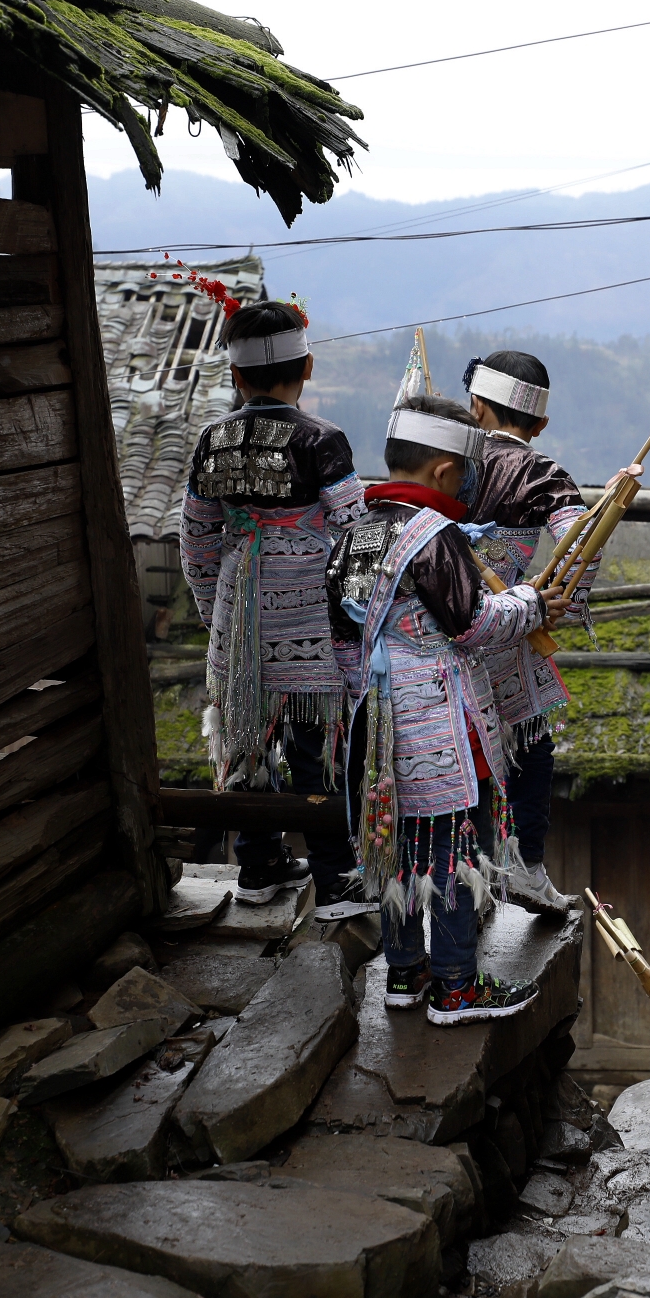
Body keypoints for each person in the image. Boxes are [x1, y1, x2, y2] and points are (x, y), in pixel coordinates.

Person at [326, 395, 572, 1023]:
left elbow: (342, 632)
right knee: (454, 846)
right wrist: (531, 603)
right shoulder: (429, 536)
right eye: (467, 471)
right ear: (442, 470)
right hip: (438, 713)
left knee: (393, 839)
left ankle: (405, 974)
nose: (471, 484)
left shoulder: (356, 530)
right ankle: (457, 986)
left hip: (373, 719)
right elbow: (475, 625)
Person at [181, 298, 374, 919]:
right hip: (311, 617)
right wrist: (362, 620)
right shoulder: (323, 440)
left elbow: (197, 539)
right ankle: (336, 879)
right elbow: (357, 535)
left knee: (246, 742)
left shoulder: (212, 441)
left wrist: (216, 615)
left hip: (239, 613)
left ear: (235, 377)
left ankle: (258, 867)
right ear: (307, 367)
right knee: (317, 749)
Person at [459, 351, 603, 916]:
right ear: (540, 424)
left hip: (433, 634)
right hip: (510, 631)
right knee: (530, 746)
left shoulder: (446, 460)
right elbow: (581, 554)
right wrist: (553, 603)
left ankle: (459, 885)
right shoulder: (544, 472)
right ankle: (525, 868)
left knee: (453, 754)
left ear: (475, 406)